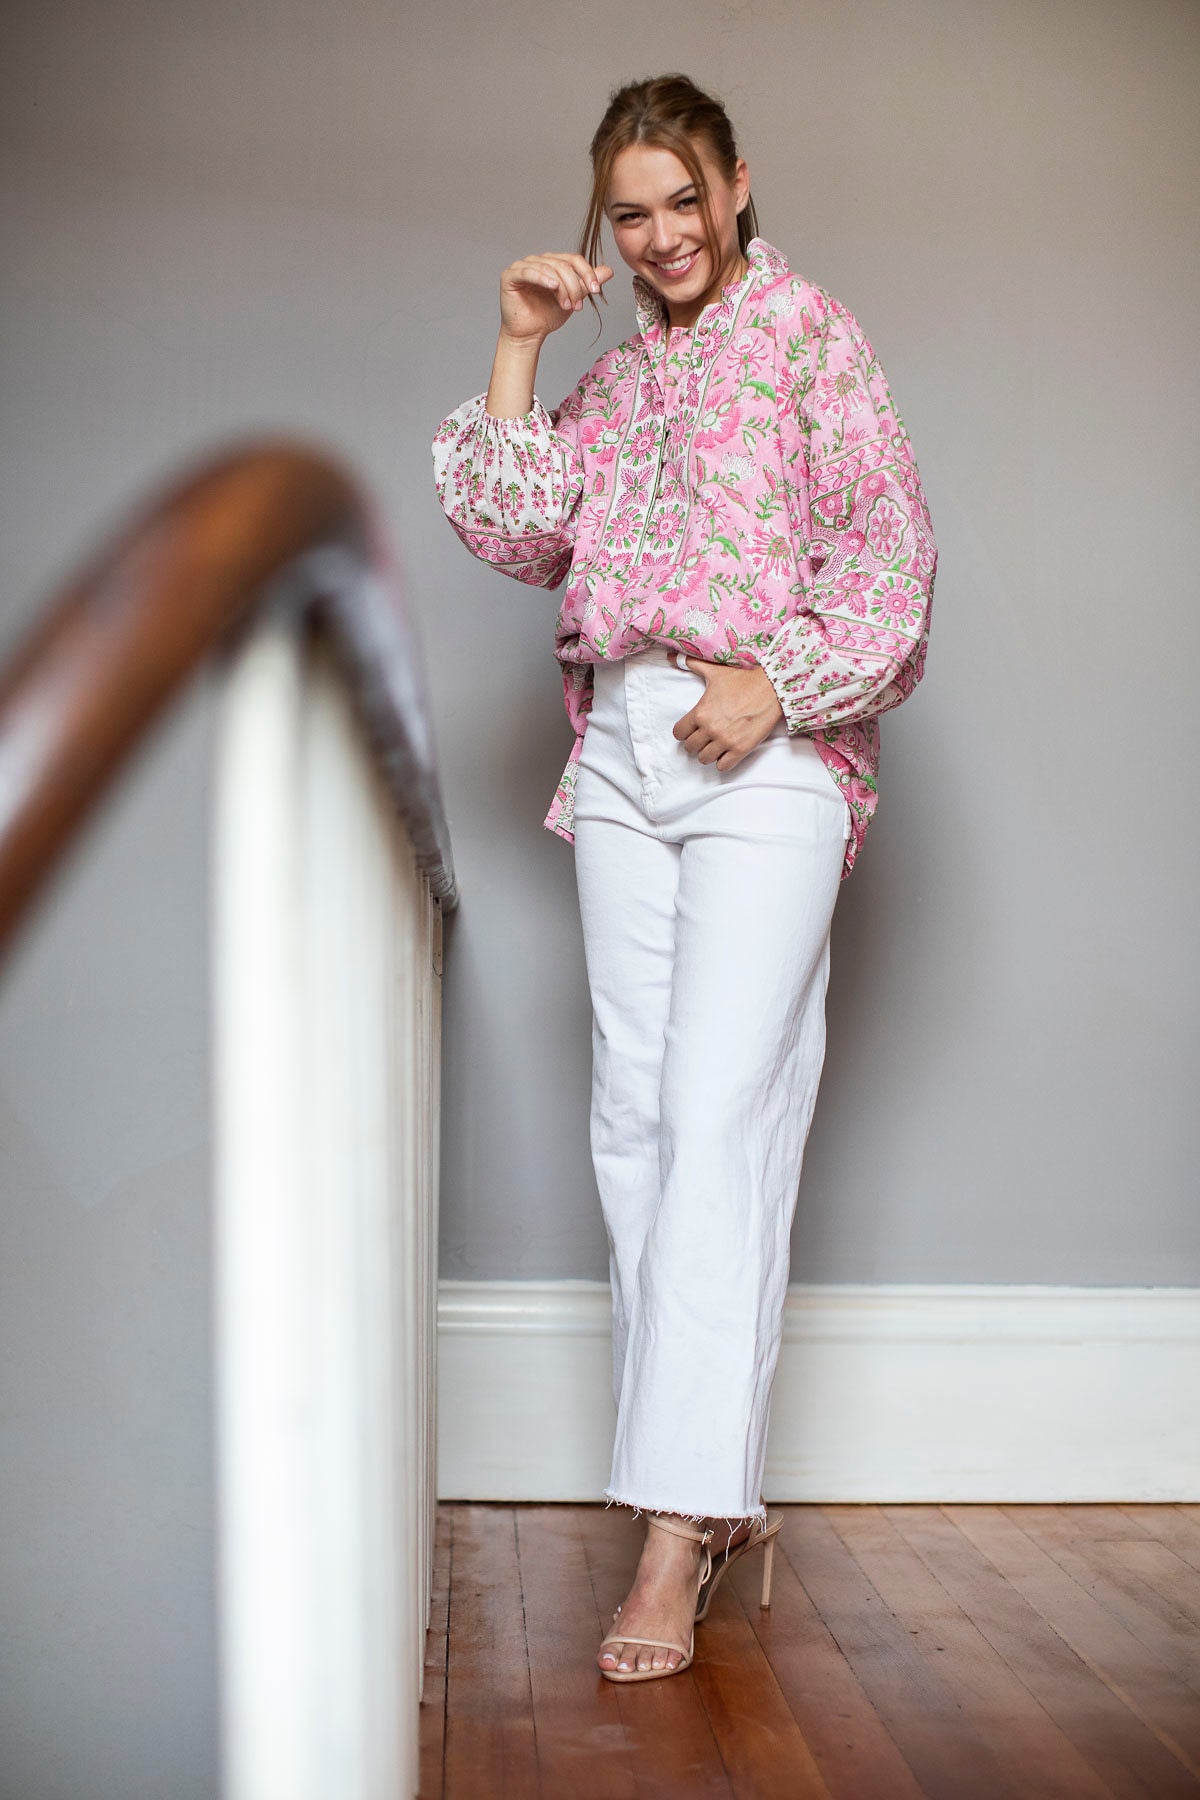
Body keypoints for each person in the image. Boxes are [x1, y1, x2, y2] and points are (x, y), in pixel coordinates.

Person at [432, 72, 937, 1683]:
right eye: (630, 214)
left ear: (737, 183)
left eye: (684, 200)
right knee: (637, 1114)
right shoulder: (615, 378)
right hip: (625, 751)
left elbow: (892, 556)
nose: (661, 237)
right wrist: (518, 344)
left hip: (765, 746)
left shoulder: (809, 338)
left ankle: (676, 1528)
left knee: (721, 1108)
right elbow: (521, 535)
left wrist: (780, 684)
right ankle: (709, 1495)